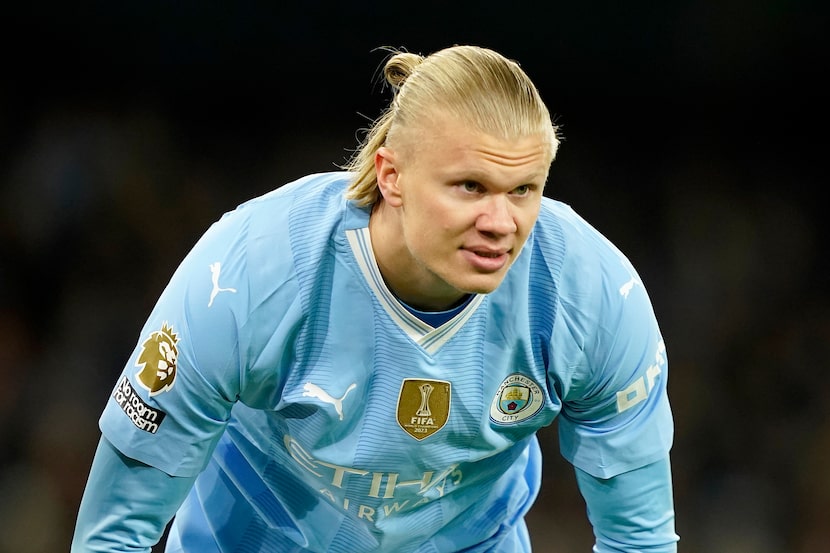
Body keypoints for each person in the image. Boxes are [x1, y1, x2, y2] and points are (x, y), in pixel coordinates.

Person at [71, 44, 678, 552]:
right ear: (391, 176)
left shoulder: (592, 295)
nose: (502, 221)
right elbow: (115, 533)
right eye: (471, 186)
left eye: (524, 189)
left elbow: (640, 542)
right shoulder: (250, 274)